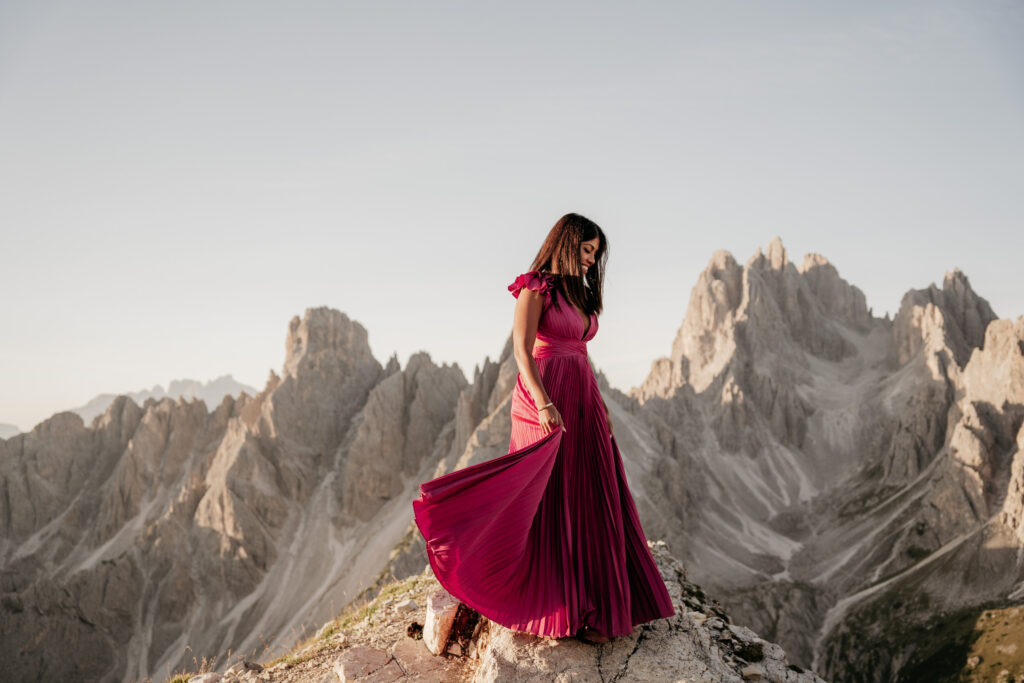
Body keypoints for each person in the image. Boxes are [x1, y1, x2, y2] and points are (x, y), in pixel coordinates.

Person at [412, 213, 675, 645]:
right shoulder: (537, 286)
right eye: (586, 250)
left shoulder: (579, 294)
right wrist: (543, 402)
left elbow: (581, 355)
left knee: (589, 492)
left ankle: (595, 605)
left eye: (596, 253)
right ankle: (556, 608)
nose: (592, 260)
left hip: (582, 395)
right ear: (566, 243)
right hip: (545, 395)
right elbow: (521, 350)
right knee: (544, 494)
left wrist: (601, 404)